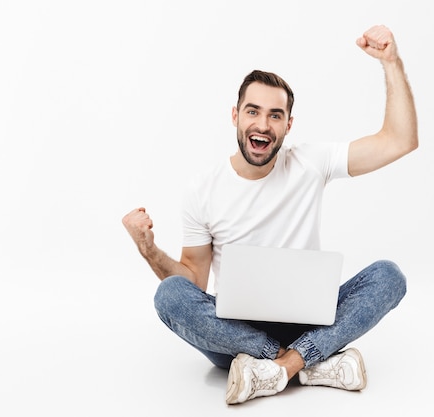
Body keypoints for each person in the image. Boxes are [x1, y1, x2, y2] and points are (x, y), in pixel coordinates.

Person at [122, 24, 418, 405]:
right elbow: (192, 283)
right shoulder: (202, 189)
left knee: (388, 276)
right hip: (236, 335)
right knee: (170, 295)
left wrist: (391, 63)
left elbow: (400, 140)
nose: (262, 124)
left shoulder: (311, 162)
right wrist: (148, 249)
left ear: (288, 125)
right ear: (235, 116)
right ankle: (306, 362)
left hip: (310, 323)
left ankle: (281, 367)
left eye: (275, 115)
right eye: (253, 111)